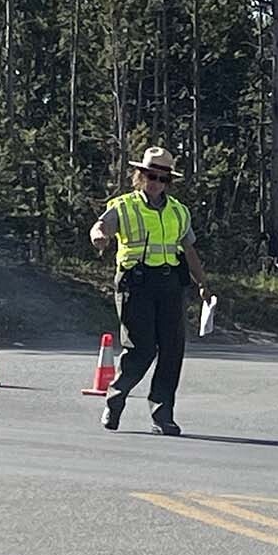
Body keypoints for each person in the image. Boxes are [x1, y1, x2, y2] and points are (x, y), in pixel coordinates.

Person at [89, 147, 212, 436]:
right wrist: (99, 238)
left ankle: (162, 414)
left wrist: (203, 282)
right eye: (150, 176)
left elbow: (188, 249)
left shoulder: (179, 212)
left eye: (162, 178)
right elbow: (101, 226)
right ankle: (116, 398)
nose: (156, 182)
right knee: (141, 349)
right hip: (136, 283)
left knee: (172, 351)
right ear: (140, 176)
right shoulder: (123, 206)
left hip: (170, 284)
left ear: (168, 181)